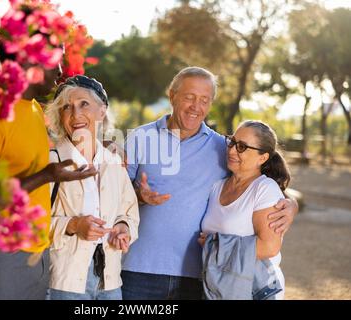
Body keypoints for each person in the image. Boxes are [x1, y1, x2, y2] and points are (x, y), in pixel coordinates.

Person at [122, 66, 298, 300]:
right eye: (189, 97)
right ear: (172, 95)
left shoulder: (221, 147)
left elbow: (254, 180)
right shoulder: (139, 138)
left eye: (204, 100)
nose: (197, 106)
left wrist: (290, 204)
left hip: (199, 274)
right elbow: (114, 193)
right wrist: (139, 195)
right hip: (139, 268)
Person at [0, 49, 97, 299]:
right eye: (56, 63)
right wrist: (45, 176)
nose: (60, 73)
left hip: (37, 255)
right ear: (28, 60)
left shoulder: (34, 109)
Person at [45, 75, 139, 300]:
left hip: (109, 281)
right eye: (67, 107)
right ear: (60, 116)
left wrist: (123, 228)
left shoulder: (114, 162)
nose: (76, 114)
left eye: (83, 104)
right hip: (64, 281)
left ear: (102, 111)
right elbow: (33, 223)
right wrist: (74, 225)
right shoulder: (51, 162)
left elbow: (129, 213)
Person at [199, 120, 290, 299]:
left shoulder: (264, 188)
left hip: (251, 290)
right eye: (232, 142)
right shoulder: (217, 186)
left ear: (262, 158)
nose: (232, 150)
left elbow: (269, 246)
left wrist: (213, 245)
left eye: (242, 147)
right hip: (216, 289)